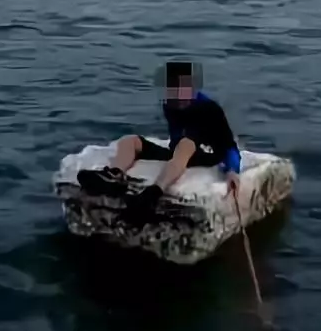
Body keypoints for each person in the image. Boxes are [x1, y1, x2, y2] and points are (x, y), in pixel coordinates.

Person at [77, 61, 241, 220]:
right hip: (177, 154)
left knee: (185, 144)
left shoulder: (210, 109)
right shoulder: (170, 105)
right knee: (130, 141)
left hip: (207, 154)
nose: (178, 96)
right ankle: (114, 175)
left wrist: (232, 170)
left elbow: (229, 145)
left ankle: (155, 191)